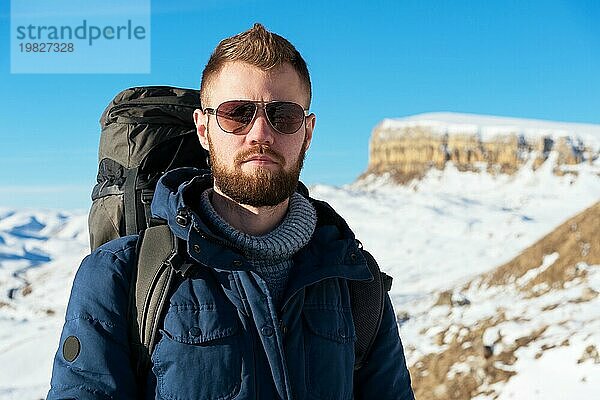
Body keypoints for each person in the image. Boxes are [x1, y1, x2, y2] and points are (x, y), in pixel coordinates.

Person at [48, 23, 414, 400]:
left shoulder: (357, 281)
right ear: (203, 129)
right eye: (236, 113)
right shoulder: (119, 275)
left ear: (307, 132)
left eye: (283, 115)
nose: (260, 133)